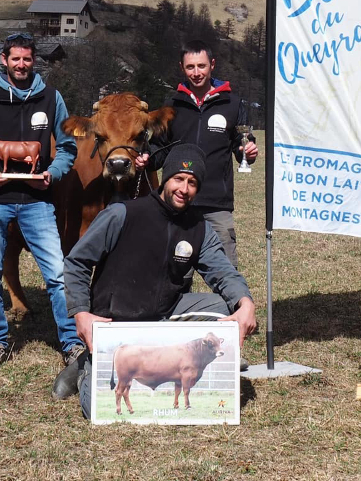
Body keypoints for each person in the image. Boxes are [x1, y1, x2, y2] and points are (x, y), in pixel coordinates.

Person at [56, 144, 258, 417]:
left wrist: (245, 303)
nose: (183, 189)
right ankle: (87, 366)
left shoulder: (199, 229)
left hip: (165, 313)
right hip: (116, 322)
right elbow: (76, 262)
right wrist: (81, 313)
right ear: (165, 179)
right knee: (98, 412)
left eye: (192, 183)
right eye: (178, 179)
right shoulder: (123, 215)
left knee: (227, 307)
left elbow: (224, 272)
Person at [0, 32, 83, 383]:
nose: (22, 64)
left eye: (27, 59)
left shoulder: (52, 99)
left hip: (38, 203)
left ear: (34, 61)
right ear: (4, 61)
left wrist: (51, 174)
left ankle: (71, 343)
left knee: (57, 275)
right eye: (15, 59)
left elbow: (68, 147)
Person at [138, 40, 256, 269]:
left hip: (217, 205)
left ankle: (231, 307)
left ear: (212, 65)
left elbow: (241, 143)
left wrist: (247, 151)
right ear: (182, 68)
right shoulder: (171, 104)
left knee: (226, 273)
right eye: (190, 67)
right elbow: (160, 148)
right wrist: (147, 159)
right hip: (178, 202)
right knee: (175, 276)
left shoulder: (232, 103)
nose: (196, 73)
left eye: (201, 66)